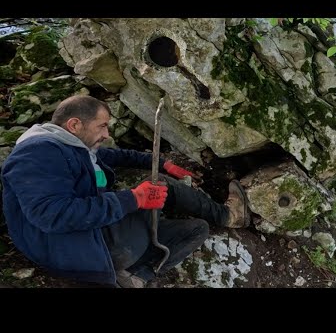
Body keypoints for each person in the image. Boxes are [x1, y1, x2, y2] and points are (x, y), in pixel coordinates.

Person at [1, 95, 250, 288]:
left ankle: (137, 276)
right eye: (102, 127)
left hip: (102, 246)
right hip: (81, 249)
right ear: (75, 124)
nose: (107, 134)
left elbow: (117, 155)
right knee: (159, 184)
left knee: (197, 230)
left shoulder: (75, 146)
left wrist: (164, 162)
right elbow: (50, 215)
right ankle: (228, 216)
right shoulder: (37, 154)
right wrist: (134, 198)